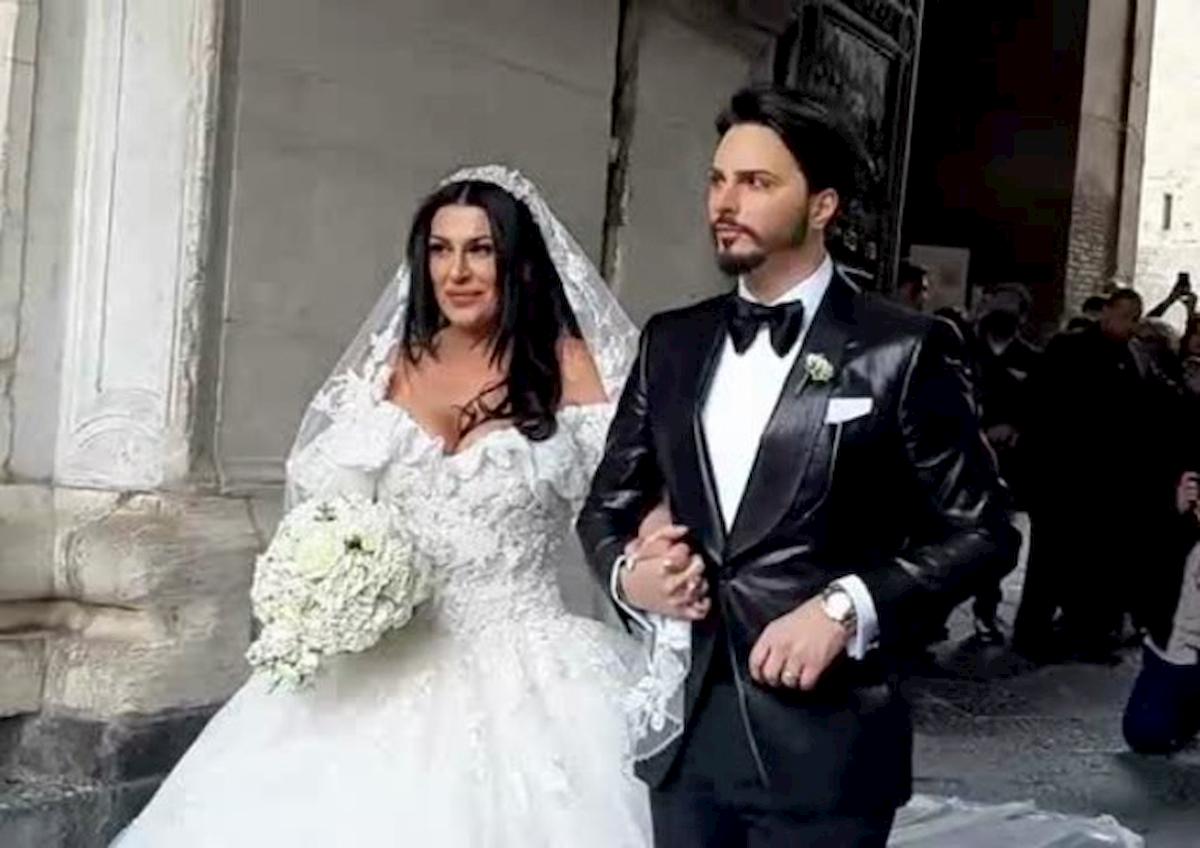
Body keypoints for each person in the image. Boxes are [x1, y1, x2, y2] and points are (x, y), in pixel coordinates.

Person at [113, 167, 654, 846]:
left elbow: (630, 503)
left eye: (480, 250)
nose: (456, 271)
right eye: (440, 250)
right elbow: (327, 511)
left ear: (517, 264)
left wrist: (650, 563)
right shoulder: (389, 369)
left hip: (530, 664)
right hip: (385, 658)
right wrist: (333, 580)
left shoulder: (570, 366)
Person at [577, 86, 1018, 848]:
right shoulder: (671, 342)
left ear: (822, 206)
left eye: (756, 183)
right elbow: (606, 508)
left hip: (828, 745)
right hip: (685, 741)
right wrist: (629, 577)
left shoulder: (902, 349)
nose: (725, 203)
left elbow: (985, 532)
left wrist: (846, 609)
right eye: (718, 180)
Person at [1015, 289, 1153, 662]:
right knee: (1049, 560)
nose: (1128, 324)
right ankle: (1032, 634)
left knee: (1095, 564)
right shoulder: (1069, 348)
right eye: (1123, 315)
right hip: (1064, 475)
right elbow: (1040, 402)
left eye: (1134, 318)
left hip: (1108, 480)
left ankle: (1087, 634)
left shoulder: (1134, 355)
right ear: (1106, 312)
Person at [970, 285, 1040, 643]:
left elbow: (1039, 407)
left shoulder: (1030, 359)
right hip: (959, 457)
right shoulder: (964, 348)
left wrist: (1015, 428)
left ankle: (986, 610)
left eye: (1011, 307)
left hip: (1004, 464)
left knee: (996, 537)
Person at [1123, 470, 1200, 754]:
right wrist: (1175, 517)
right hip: (1177, 650)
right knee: (1147, 735)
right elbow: (1144, 577)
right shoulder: (1179, 531)